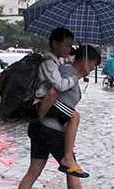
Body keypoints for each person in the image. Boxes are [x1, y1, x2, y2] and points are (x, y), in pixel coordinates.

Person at [7, 45, 102, 189]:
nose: (94, 68)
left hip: (39, 129)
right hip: (51, 130)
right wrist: (42, 117)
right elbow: (52, 94)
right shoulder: (67, 73)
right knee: (72, 169)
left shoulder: (69, 74)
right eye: (94, 64)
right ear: (85, 61)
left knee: (33, 171)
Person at [34, 28, 88, 177]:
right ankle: (68, 157)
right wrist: (77, 76)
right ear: (54, 44)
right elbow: (59, 86)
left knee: (33, 172)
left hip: (48, 104)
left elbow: (67, 61)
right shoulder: (49, 63)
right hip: (43, 102)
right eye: (66, 45)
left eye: (71, 46)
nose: (69, 49)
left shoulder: (57, 61)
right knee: (74, 116)